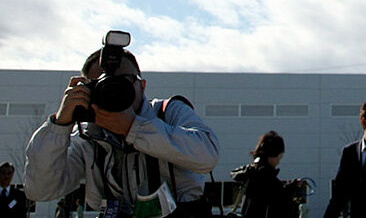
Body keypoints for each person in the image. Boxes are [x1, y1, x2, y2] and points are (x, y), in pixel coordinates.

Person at [24, 45, 220, 217]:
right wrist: (60, 125)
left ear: (142, 85)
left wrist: (133, 128)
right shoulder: (87, 136)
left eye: (124, 80)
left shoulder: (168, 112)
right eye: (102, 84)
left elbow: (207, 156)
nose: (114, 90)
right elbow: (40, 190)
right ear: (86, 91)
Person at [239, 131, 301, 218]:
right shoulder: (267, 177)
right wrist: (291, 189)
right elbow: (278, 198)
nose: (279, 161)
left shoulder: (252, 173)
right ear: (273, 155)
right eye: (280, 156)